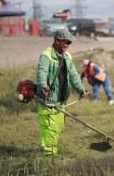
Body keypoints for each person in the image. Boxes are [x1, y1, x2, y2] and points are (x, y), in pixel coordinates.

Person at [36, 28, 89, 156]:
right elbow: (41, 73)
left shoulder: (67, 56)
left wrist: (80, 90)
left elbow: (74, 75)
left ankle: (52, 152)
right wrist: (43, 86)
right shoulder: (46, 55)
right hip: (47, 100)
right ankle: (49, 157)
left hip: (61, 100)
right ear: (57, 41)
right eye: (66, 42)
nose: (68, 45)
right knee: (49, 128)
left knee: (58, 128)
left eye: (70, 42)